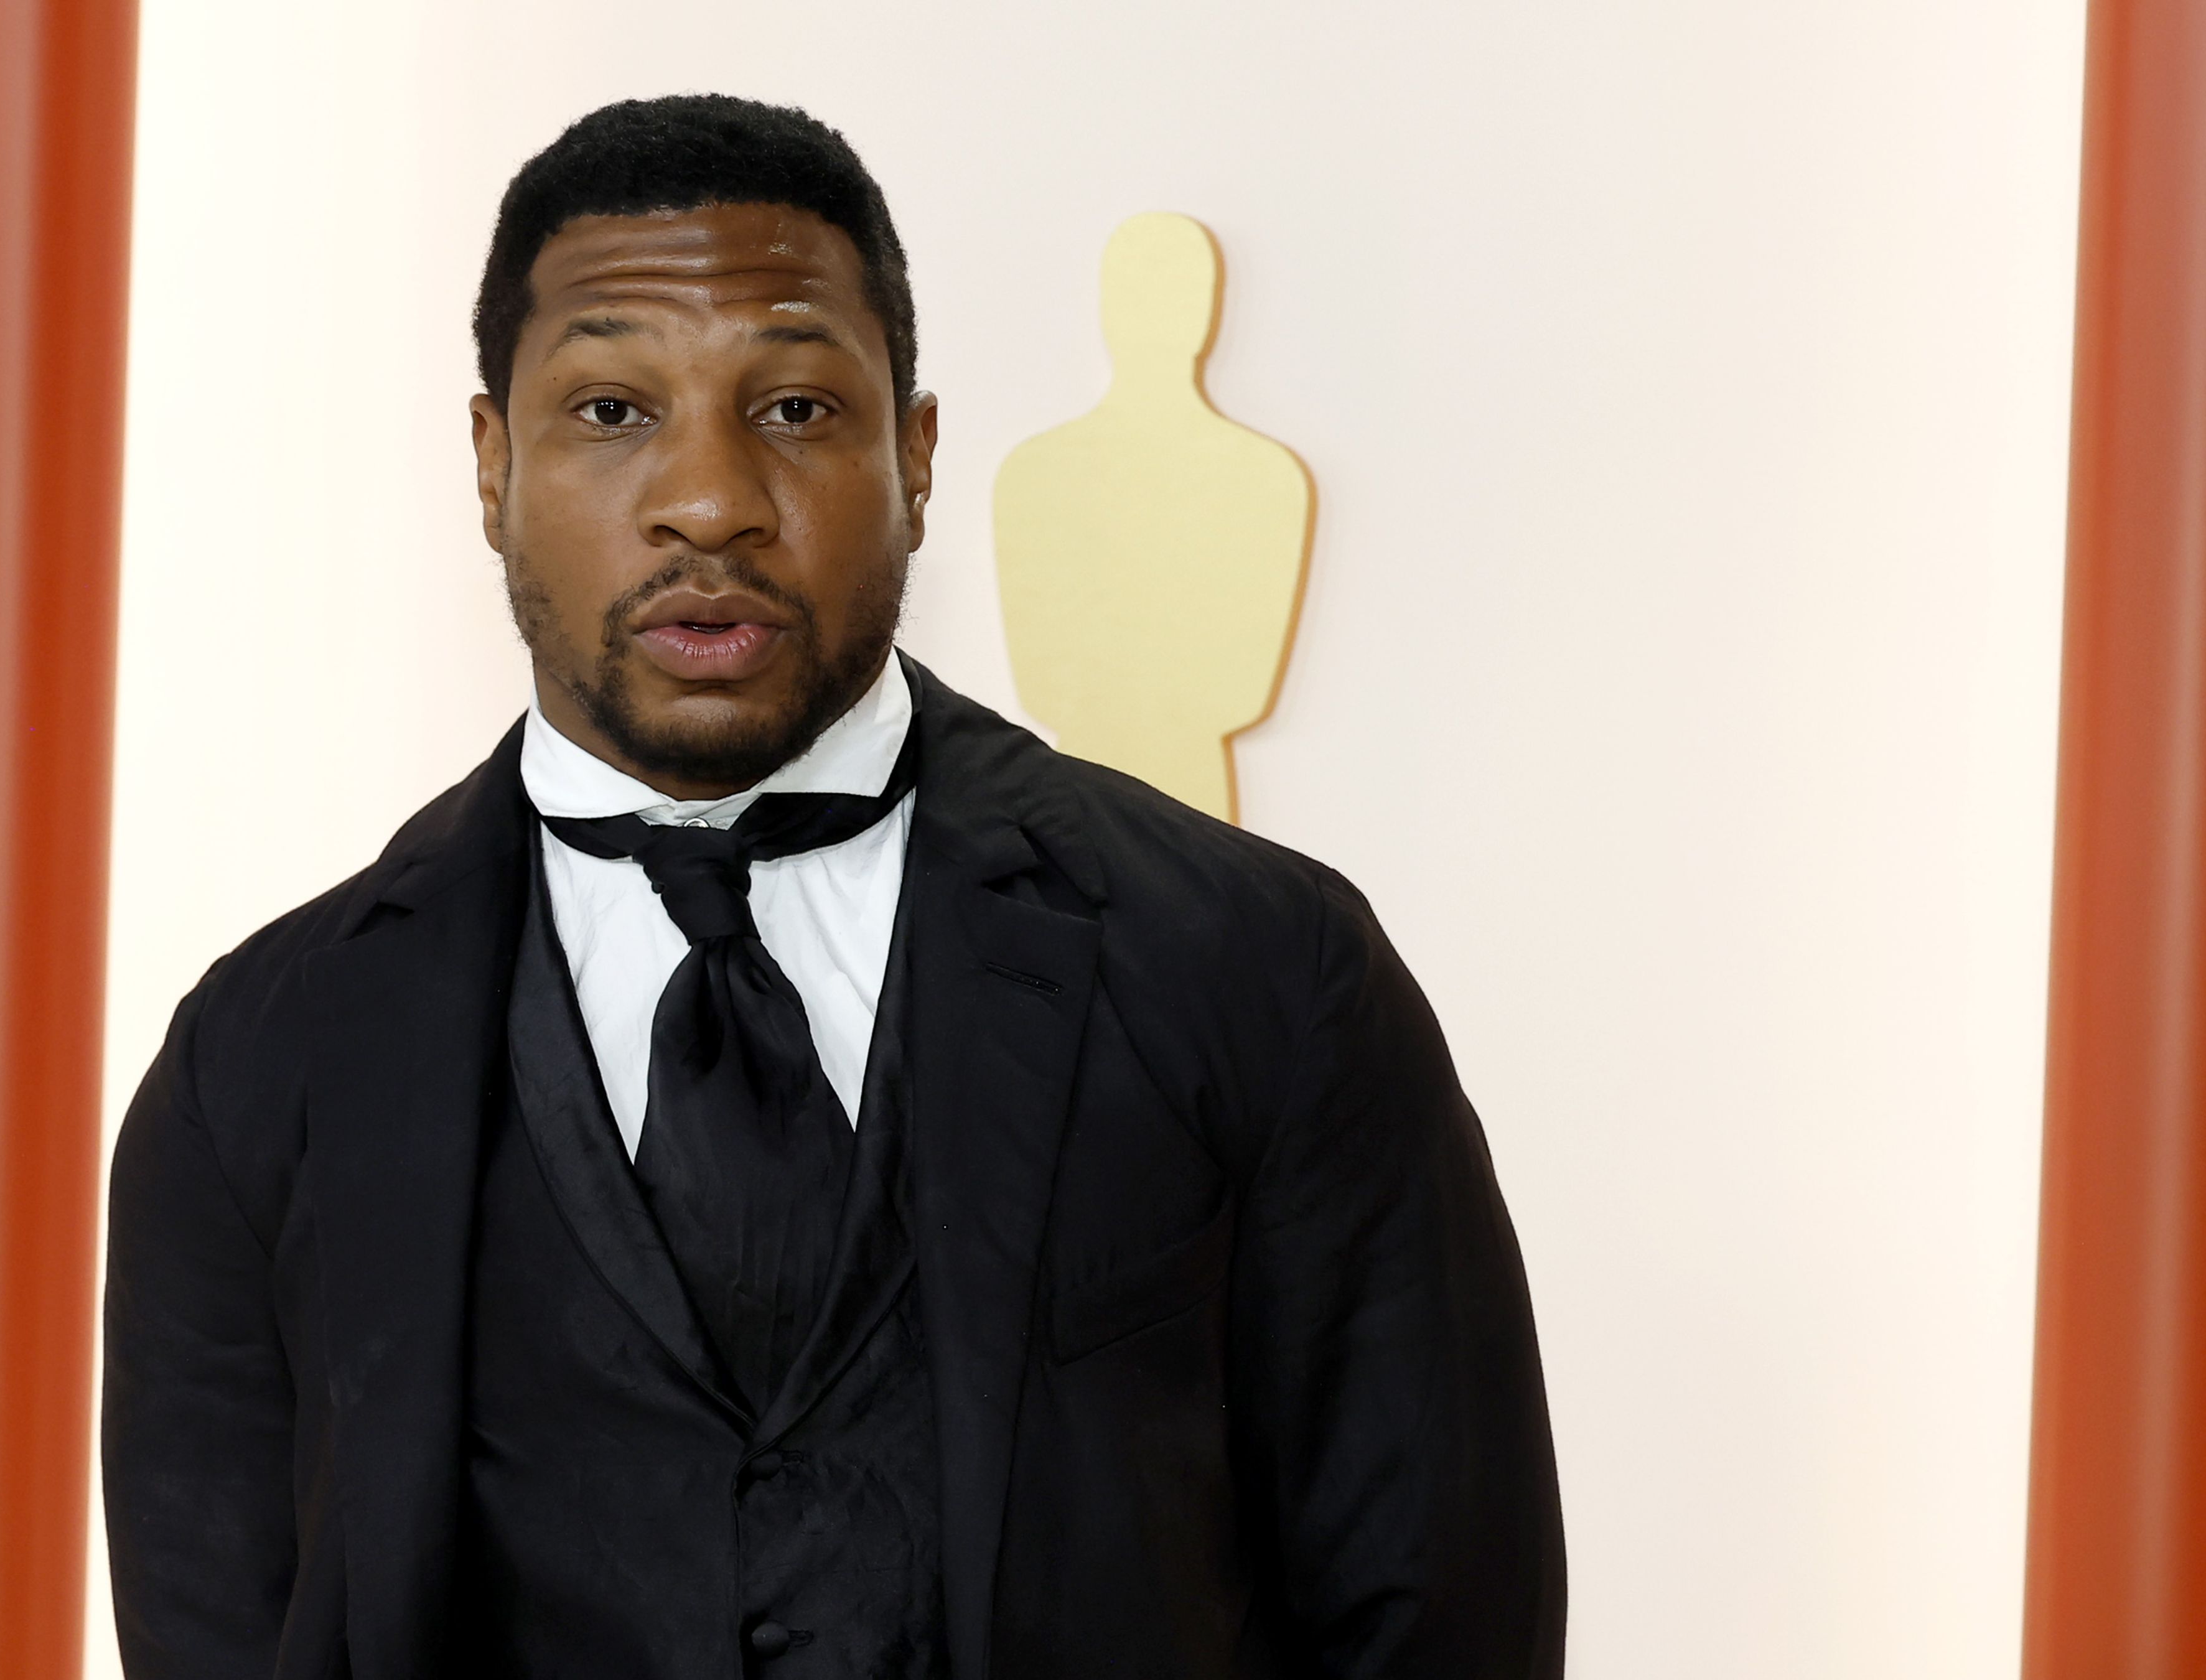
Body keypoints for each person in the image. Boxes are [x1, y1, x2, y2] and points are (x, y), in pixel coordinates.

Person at [101, 94, 1564, 1679]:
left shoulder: (1264, 973)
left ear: (918, 456)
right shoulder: (258, 1072)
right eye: (609, 410)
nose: (710, 498)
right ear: (488, 463)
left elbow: (1442, 1624)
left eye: (795, 409)